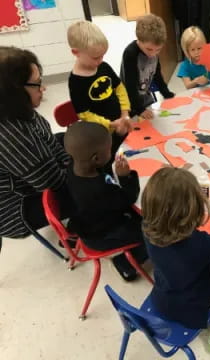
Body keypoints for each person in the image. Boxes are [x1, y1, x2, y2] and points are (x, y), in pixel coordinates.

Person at [142, 167, 210, 352]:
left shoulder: (147, 226)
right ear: (194, 211)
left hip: (163, 296)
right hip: (193, 308)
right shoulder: (199, 243)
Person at [0, 46, 72, 239]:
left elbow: (49, 139)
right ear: (14, 91)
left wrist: (68, 159)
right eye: (37, 83)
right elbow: (53, 183)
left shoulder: (17, 109)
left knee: (73, 140)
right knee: (91, 188)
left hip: (33, 176)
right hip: (15, 208)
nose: (43, 88)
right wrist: (87, 173)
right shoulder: (13, 136)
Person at [64, 121, 148, 281]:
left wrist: (117, 136)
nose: (110, 152)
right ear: (96, 158)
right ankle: (126, 265)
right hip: (102, 236)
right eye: (109, 150)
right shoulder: (98, 189)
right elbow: (129, 198)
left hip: (89, 223)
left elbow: (103, 160)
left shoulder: (76, 165)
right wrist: (125, 177)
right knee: (154, 232)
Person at [67, 20, 132, 160]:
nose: (101, 60)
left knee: (127, 153)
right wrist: (111, 125)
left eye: (103, 55)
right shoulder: (76, 82)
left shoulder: (104, 66)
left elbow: (119, 88)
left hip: (121, 121)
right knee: (109, 160)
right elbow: (84, 114)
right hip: (102, 134)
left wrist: (124, 113)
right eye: (96, 57)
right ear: (76, 52)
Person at [120, 14, 175, 121]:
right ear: (139, 40)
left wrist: (167, 94)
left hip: (144, 95)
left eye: (158, 50)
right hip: (129, 101)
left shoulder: (153, 52)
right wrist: (140, 109)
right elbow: (129, 86)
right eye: (149, 49)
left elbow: (157, 75)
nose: (153, 54)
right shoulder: (130, 54)